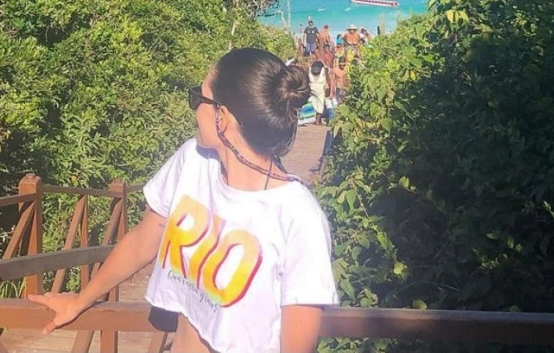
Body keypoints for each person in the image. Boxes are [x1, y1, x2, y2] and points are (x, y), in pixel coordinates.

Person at [29, 48, 338, 353]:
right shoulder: (193, 161)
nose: (193, 109)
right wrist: (81, 300)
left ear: (223, 116)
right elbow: (143, 241)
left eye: (198, 98)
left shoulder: (299, 218)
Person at [308, 60, 329, 126]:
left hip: (320, 90)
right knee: (314, 105)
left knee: (320, 105)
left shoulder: (324, 70)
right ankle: (316, 120)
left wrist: (328, 89)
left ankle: (317, 121)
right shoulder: (308, 70)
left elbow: (327, 80)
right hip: (312, 91)